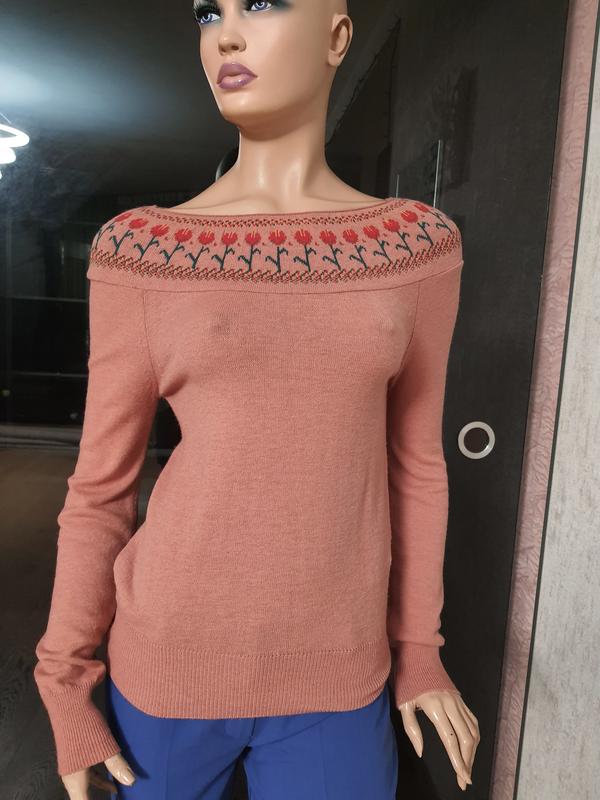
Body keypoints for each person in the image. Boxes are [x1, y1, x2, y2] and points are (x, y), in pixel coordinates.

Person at [33, 0, 480, 797]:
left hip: (339, 675)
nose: (226, 34)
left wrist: (419, 649)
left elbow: (416, 467)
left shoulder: (416, 248)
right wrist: (64, 680)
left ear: (337, 36)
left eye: (263, 3)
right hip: (167, 665)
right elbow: (100, 489)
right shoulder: (142, 252)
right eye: (210, 13)